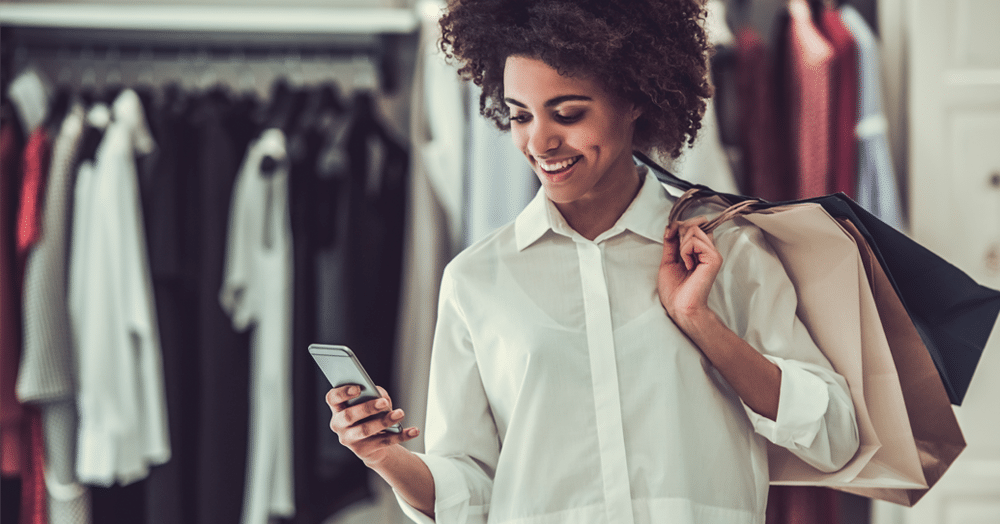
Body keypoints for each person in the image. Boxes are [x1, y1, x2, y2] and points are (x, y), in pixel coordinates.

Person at [326, 1, 860, 522]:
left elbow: (835, 438)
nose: (539, 141)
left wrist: (701, 322)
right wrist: (385, 458)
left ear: (634, 99)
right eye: (519, 116)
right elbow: (472, 492)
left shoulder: (729, 250)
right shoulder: (475, 279)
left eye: (568, 113)